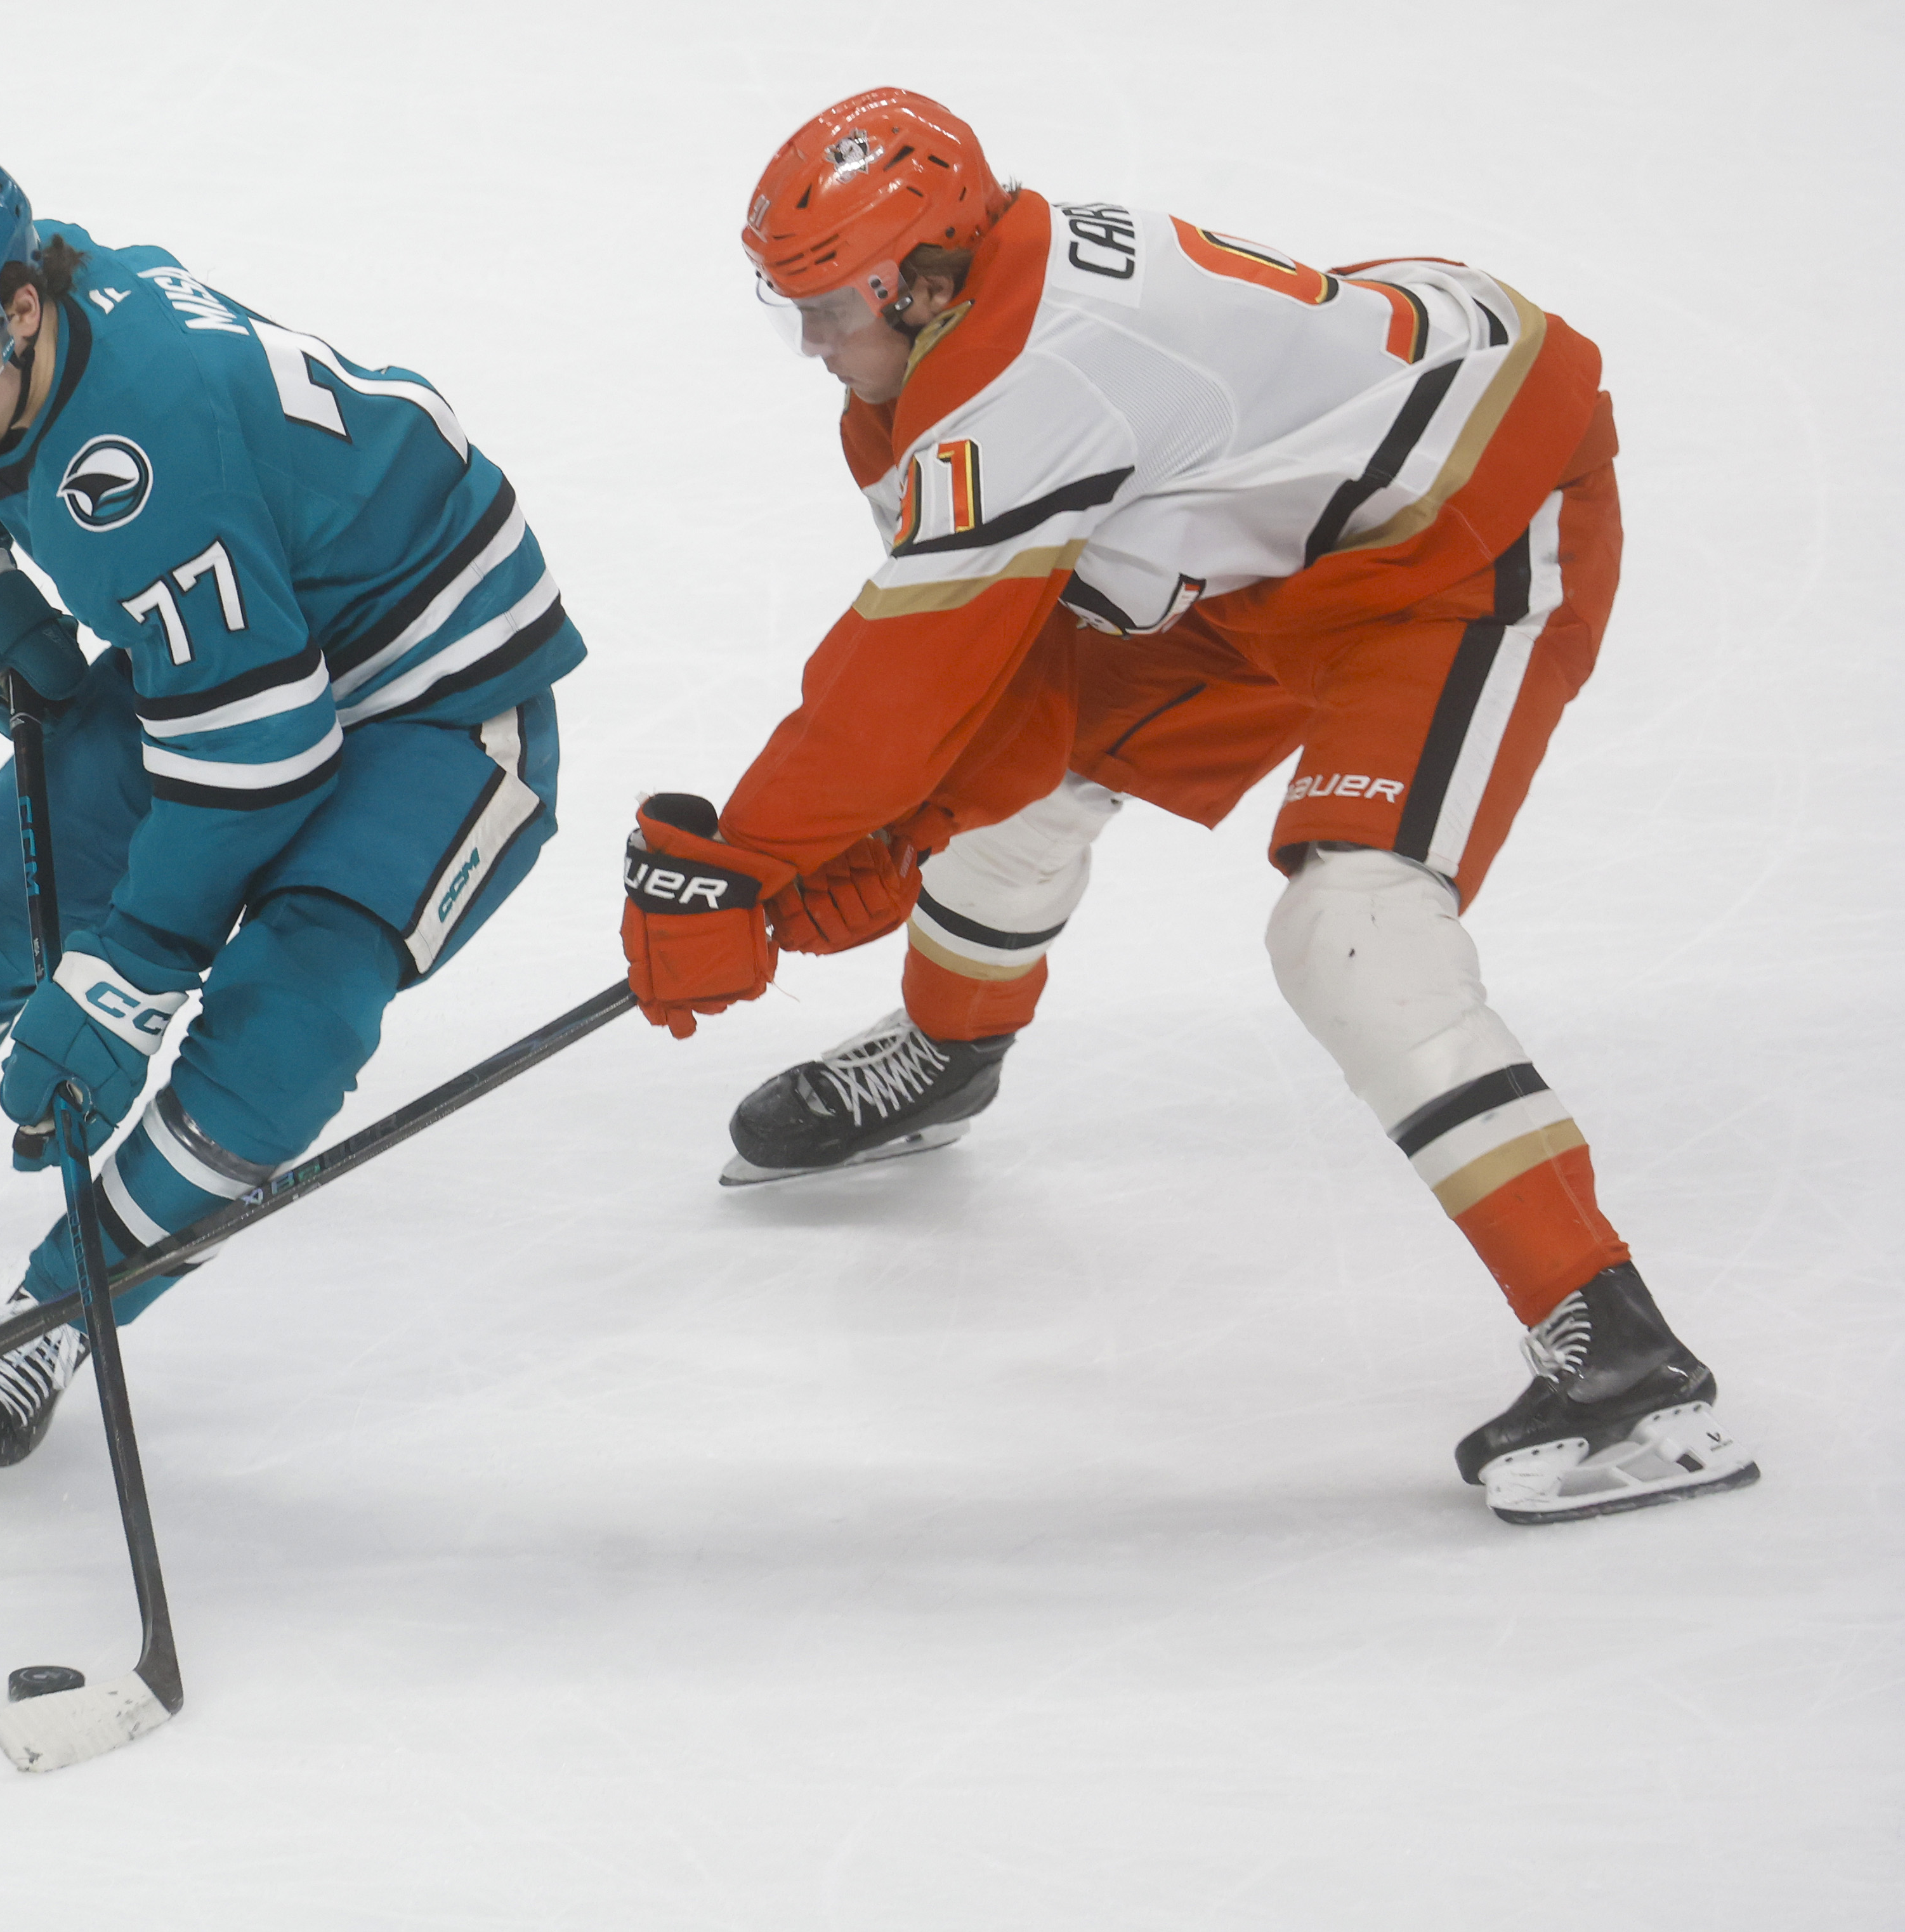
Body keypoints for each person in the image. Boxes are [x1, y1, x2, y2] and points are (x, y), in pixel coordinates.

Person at [617, 89, 1755, 1525]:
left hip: (1465, 530)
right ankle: (951, 1052)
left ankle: (1626, 1359)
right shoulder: (941, 360)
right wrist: (877, 844)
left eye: (830, 304)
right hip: (1265, 533)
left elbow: (900, 688)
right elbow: (990, 687)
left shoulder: (1034, 376)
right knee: (1013, 796)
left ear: (921, 278)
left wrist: (738, 869)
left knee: (1354, 931)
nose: (809, 342)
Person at [0, 145, 583, 1473]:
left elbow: (259, 756)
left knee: (291, 1020)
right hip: (255, 650)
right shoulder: (36, 305)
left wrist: (132, 968)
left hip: (444, 708)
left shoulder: (137, 454)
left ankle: (64, 1299)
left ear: (18, 309)